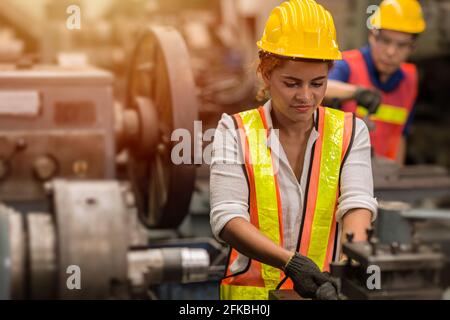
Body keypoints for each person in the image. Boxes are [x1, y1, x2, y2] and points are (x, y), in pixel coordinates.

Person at [209, 0, 378, 300]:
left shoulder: (351, 131)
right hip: (252, 300)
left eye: (317, 83)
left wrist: (351, 267)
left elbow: (357, 204)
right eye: (291, 83)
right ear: (266, 73)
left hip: (324, 292)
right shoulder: (233, 131)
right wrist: (291, 264)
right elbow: (227, 217)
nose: (306, 96)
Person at [325, 0, 426, 164]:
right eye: (386, 41)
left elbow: (400, 136)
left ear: (412, 47)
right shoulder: (347, 65)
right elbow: (322, 88)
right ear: (372, 36)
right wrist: (356, 92)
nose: (391, 52)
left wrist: (396, 179)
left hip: (384, 175)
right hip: (343, 171)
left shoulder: (409, 80)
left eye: (401, 45)